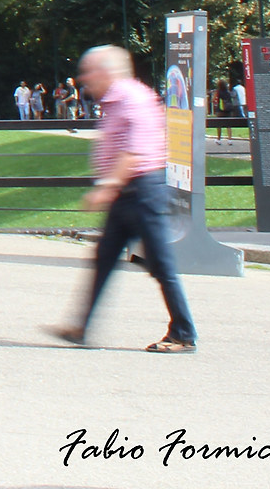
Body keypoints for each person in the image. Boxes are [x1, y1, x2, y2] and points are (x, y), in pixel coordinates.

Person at [48, 44, 196, 354]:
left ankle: (183, 333)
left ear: (106, 71)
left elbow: (134, 149)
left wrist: (106, 186)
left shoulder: (132, 98)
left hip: (143, 190)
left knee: (160, 263)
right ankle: (81, 328)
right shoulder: (114, 101)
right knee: (103, 259)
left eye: (88, 71)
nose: (83, 78)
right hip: (127, 192)